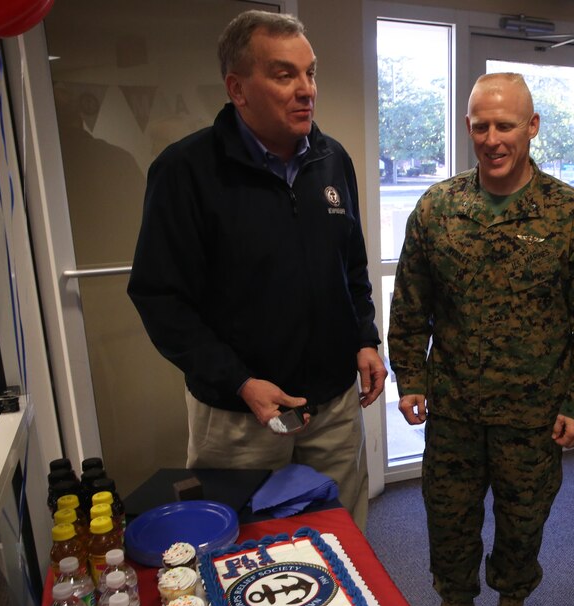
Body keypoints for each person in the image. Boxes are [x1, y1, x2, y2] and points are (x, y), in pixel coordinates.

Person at [388, 72, 574, 606]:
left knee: (523, 516)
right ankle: (456, 603)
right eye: (481, 125)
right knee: (449, 511)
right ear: (468, 127)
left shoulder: (571, 215)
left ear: (532, 127)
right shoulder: (437, 207)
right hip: (455, 407)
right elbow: (410, 304)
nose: (493, 138)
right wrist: (409, 378)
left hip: (533, 413)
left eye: (506, 125)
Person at [128, 10, 385, 531]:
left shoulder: (332, 160)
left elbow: (350, 265)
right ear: (238, 88)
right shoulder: (186, 171)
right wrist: (240, 381)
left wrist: (364, 338)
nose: (306, 89)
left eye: (310, 73)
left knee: (341, 539)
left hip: (332, 406)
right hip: (239, 417)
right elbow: (160, 298)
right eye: (284, 74)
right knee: (244, 550)